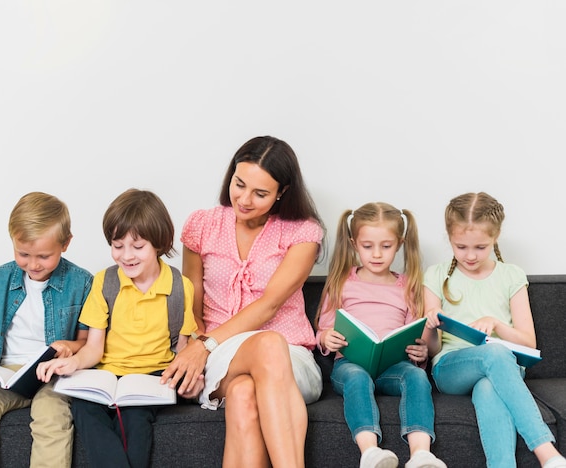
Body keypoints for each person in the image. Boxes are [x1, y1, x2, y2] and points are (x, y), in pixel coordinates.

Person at [159, 136, 326, 467]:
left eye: (260, 193)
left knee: (246, 387)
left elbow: (269, 306)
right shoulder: (203, 224)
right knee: (247, 375)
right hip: (222, 356)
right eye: (239, 184)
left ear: (282, 192)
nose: (245, 199)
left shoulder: (303, 233)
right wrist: (193, 345)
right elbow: (192, 294)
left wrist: (203, 345)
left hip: (290, 358)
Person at [36, 188, 198, 468]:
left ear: (159, 243)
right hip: (106, 376)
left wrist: (187, 382)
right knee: (84, 410)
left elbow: (182, 351)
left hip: (153, 378)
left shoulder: (180, 287)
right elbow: (93, 349)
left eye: (138, 247)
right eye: (117, 245)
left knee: (136, 419)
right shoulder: (104, 282)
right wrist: (72, 363)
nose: (126, 256)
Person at [423, 192, 566, 468]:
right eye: (461, 247)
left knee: (489, 385)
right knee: (495, 352)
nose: (470, 256)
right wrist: (429, 326)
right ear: (449, 238)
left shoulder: (511, 275)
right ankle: (546, 452)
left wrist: (497, 324)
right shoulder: (436, 275)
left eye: (480, 247)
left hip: (503, 366)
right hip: (452, 368)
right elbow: (433, 349)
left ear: (496, 236)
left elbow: (528, 342)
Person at [0, 192, 93, 468]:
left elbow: (86, 342)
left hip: (52, 372)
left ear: (65, 244)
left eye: (43, 256)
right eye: (23, 254)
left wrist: (68, 347)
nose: (33, 264)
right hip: (8, 373)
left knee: (52, 414)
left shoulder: (82, 282)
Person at [315, 203, 446, 468]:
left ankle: (421, 454)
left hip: (393, 366)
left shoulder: (407, 286)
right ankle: (370, 452)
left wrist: (420, 352)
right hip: (350, 364)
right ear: (354, 243)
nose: (377, 254)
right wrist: (327, 337)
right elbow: (323, 329)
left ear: (399, 244)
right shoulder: (342, 282)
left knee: (417, 376)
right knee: (357, 377)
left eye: (386, 247)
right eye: (367, 246)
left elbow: (416, 336)